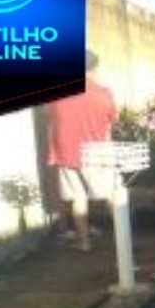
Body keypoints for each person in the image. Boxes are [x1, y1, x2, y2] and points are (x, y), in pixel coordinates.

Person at [47, 49, 119, 252]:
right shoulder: (103, 93)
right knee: (112, 195)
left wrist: (53, 152)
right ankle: (123, 240)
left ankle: (84, 243)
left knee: (78, 198)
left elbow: (51, 120)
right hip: (96, 152)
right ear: (94, 69)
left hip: (66, 152)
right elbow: (110, 123)